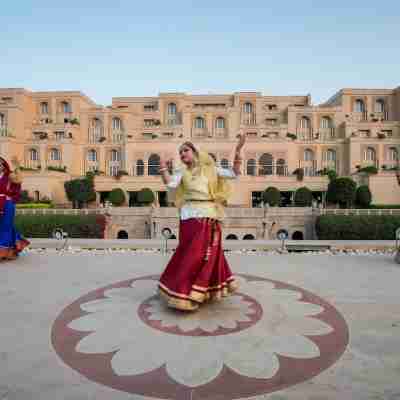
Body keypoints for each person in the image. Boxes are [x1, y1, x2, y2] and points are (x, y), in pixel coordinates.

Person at [158, 134, 246, 311]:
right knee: (187, 254)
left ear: (195, 152)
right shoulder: (180, 172)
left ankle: (195, 292)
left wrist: (237, 151)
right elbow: (170, 184)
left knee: (204, 255)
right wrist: (163, 169)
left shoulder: (210, 169)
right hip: (188, 217)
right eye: (180, 151)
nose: (183, 154)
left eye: (186, 150)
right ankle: (183, 291)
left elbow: (234, 174)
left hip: (208, 216)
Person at [0, 157, 30, 260]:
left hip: (7, 204)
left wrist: (17, 167)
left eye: (0, 164)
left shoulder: (9, 175)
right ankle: (14, 247)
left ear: (3, 166)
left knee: (6, 227)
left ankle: (3, 252)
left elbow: (19, 180)